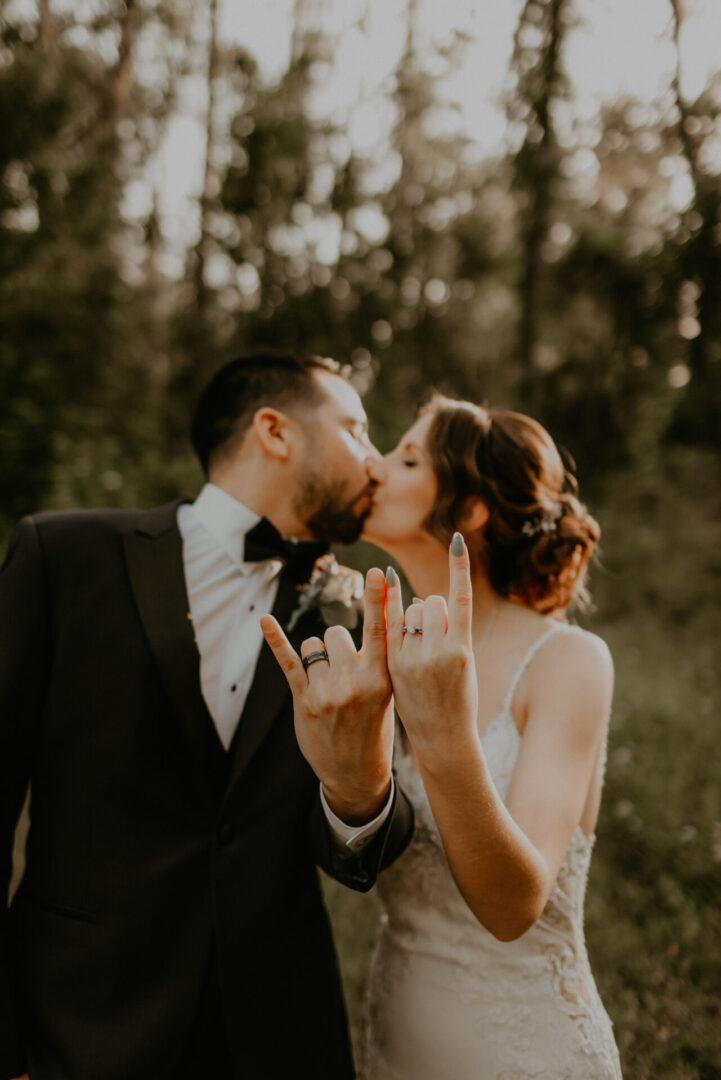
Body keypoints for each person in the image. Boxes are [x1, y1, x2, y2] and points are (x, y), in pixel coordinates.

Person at [0, 354, 413, 1080]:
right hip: (79, 1020)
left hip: (275, 1033)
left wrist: (357, 786)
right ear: (274, 432)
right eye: (356, 430)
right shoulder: (62, 557)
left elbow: (359, 852)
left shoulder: (354, 607)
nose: (376, 461)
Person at [264, 395, 623, 1079]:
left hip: (521, 1050)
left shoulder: (567, 662)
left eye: (404, 458)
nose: (374, 466)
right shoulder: (384, 648)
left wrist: (442, 729)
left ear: (469, 511)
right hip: (401, 1033)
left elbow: (515, 904)